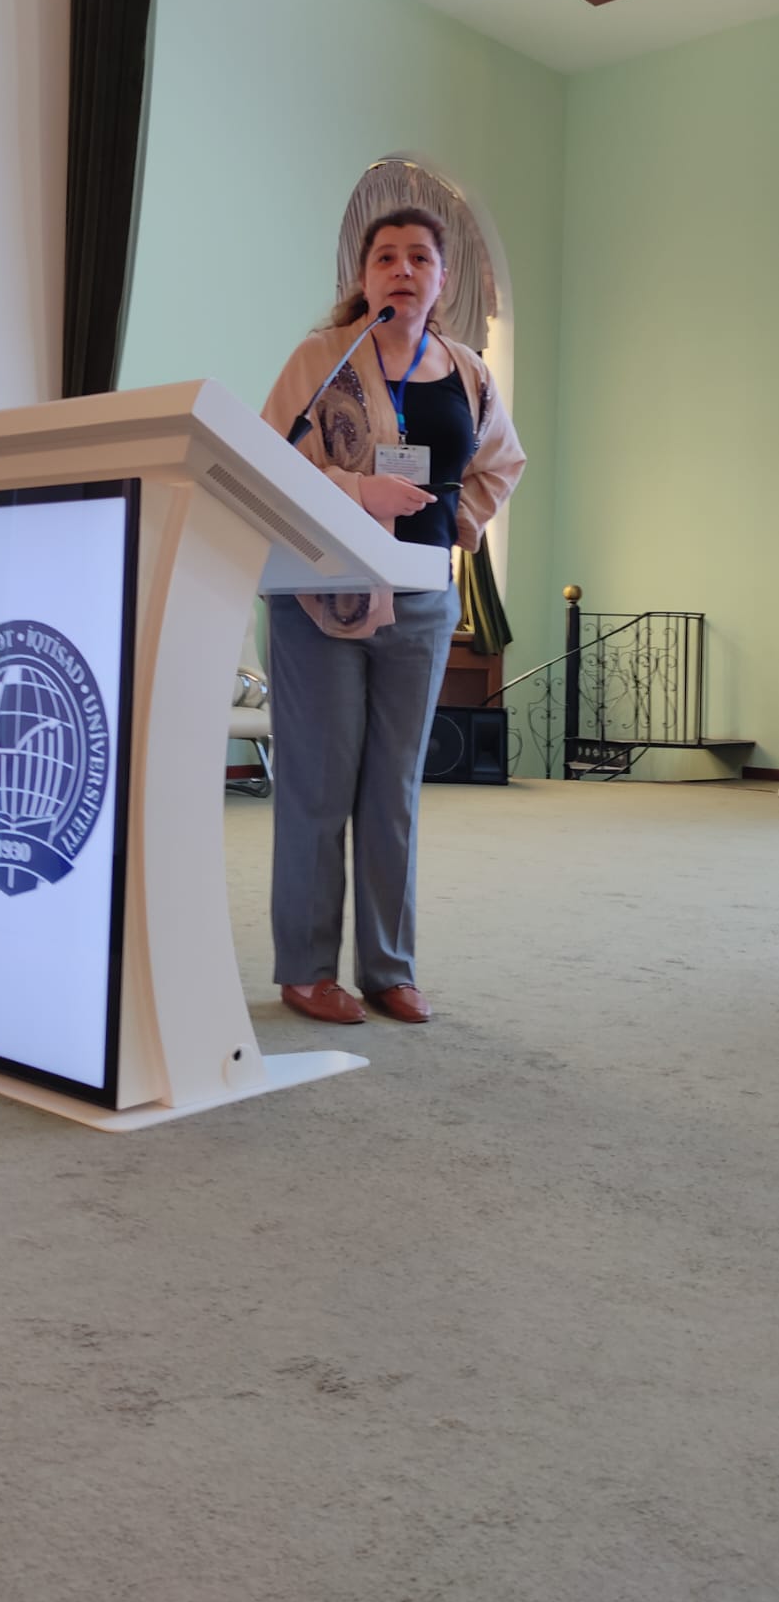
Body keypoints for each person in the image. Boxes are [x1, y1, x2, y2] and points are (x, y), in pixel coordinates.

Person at [261, 207, 525, 1025]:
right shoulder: (321, 357)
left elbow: (501, 461)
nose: (402, 270)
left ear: (442, 279)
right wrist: (358, 492)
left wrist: (455, 525)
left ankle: (388, 969)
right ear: (364, 277)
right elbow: (269, 463)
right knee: (318, 787)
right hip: (321, 601)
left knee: (394, 791)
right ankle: (307, 970)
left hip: (421, 602)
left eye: (418, 258)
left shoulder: (468, 372)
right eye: (386, 258)